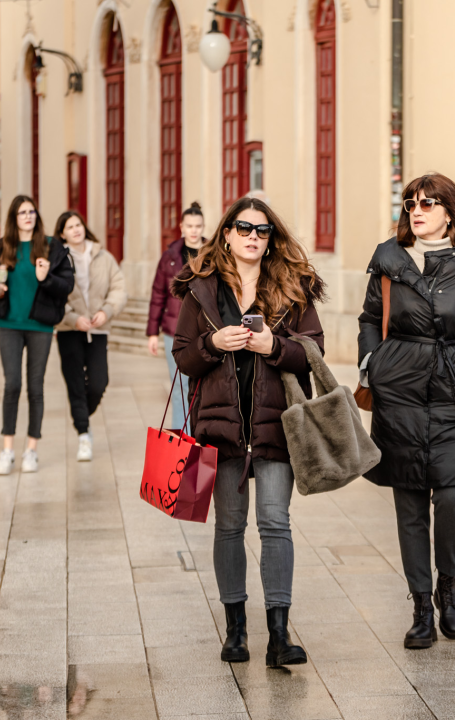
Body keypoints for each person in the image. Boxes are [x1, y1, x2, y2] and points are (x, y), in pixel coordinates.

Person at [171, 196, 325, 668]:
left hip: (276, 425)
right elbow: (182, 355)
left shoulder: (291, 288)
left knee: (276, 523)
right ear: (227, 234)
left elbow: (313, 351)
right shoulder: (201, 288)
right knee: (230, 526)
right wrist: (213, 343)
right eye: (244, 228)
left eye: (262, 231)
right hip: (220, 425)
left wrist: (272, 345)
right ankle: (235, 629)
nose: (253, 237)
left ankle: (279, 634)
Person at [358, 173, 455, 649]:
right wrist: (372, 363)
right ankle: (422, 604)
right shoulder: (388, 258)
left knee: (452, 498)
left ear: (449, 211)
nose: (416, 211)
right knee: (409, 505)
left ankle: (448, 586)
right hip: (399, 392)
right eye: (410, 204)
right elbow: (368, 319)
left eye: (427, 203)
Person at [0, 195, 74, 476]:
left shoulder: (51, 247)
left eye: (31, 211)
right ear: (13, 218)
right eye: (22, 212)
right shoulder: (0, 248)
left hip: (41, 326)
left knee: (35, 387)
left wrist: (45, 278)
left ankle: (31, 450)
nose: (28, 216)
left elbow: (67, 285)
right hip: (9, 324)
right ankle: (7, 450)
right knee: (12, 384)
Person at [54, 210, 127, 461]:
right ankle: (83, 434)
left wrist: (106, 311)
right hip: (69, 331)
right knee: (75, 383)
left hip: (98, 329)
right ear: (62, 233)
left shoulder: (103, 256)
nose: (76, 229)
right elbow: (51, 295)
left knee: (99, 382)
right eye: (70, 227)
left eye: (78, 224)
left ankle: (81, 414)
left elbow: (119, 288)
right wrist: (73, 319)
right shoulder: (57, 259)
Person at [147, 202, 205, 429]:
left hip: (205, 331)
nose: (194, 231)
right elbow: (158, 294)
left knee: (203, 390)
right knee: (180, 390)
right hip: (175, 331)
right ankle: (181, 443)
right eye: (189, 225)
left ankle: (201, 438)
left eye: (198, 226)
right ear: (181, 226)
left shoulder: (214, 253)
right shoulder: (170, 256)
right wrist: (152, 333)